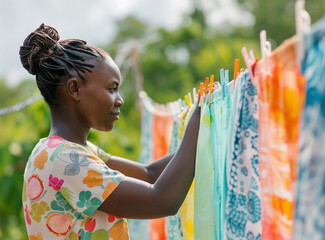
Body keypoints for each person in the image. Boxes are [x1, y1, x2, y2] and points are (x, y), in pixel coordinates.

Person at [20, 24, 202, 239]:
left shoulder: (66, 151)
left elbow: (150, 174)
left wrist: (205, 135)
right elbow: (162, 200)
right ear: (74, 89)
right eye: (111, 89)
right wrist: (199, 118)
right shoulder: (65, 159)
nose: (120, 100)